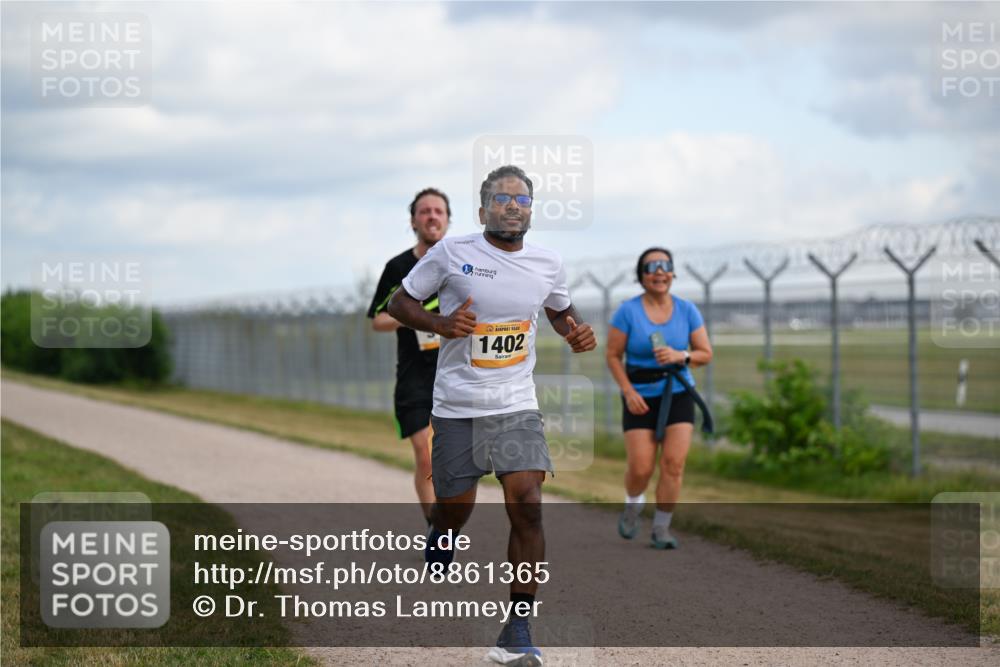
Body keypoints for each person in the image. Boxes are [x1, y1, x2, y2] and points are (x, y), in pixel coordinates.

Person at [388, 165, 596, 667]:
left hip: (516, 404)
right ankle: (443, 531)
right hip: (458, 406)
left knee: (527, 501)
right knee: (454, 507)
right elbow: (399, 302)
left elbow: (556, 308)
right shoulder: (453, 253)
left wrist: (572, 330)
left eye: (522, 200)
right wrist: (440, 321)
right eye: (502, 199)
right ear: (483, 210)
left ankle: (518, 626)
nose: (512, 206)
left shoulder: (548, 262)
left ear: (531, 210)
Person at [605, 247, 714, 549]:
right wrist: (627, 390)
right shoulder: (628, 311)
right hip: (639, 396)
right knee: (641, 468)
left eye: (665, 266)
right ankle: (632, 504)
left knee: (673, 464)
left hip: (678, 392)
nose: (659, 271)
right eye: (652, 267)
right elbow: (613, 355)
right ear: (642, 276)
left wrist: (683, 355)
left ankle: (661, 529)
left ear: (673, 273)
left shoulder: (687, 310)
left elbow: (706, 354)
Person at [367, 187, 451, 525]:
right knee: (427, 458)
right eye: (424, 211)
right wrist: (419, 317)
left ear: (448, 220)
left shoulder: (464, 264)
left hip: (456, 377)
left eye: (438, 211)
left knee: (455, 463)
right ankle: (438, 530)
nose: (432, 216)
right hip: (414, 379)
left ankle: (448, 518)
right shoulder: (399, 267)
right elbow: (378, 319)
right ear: (413, 220)